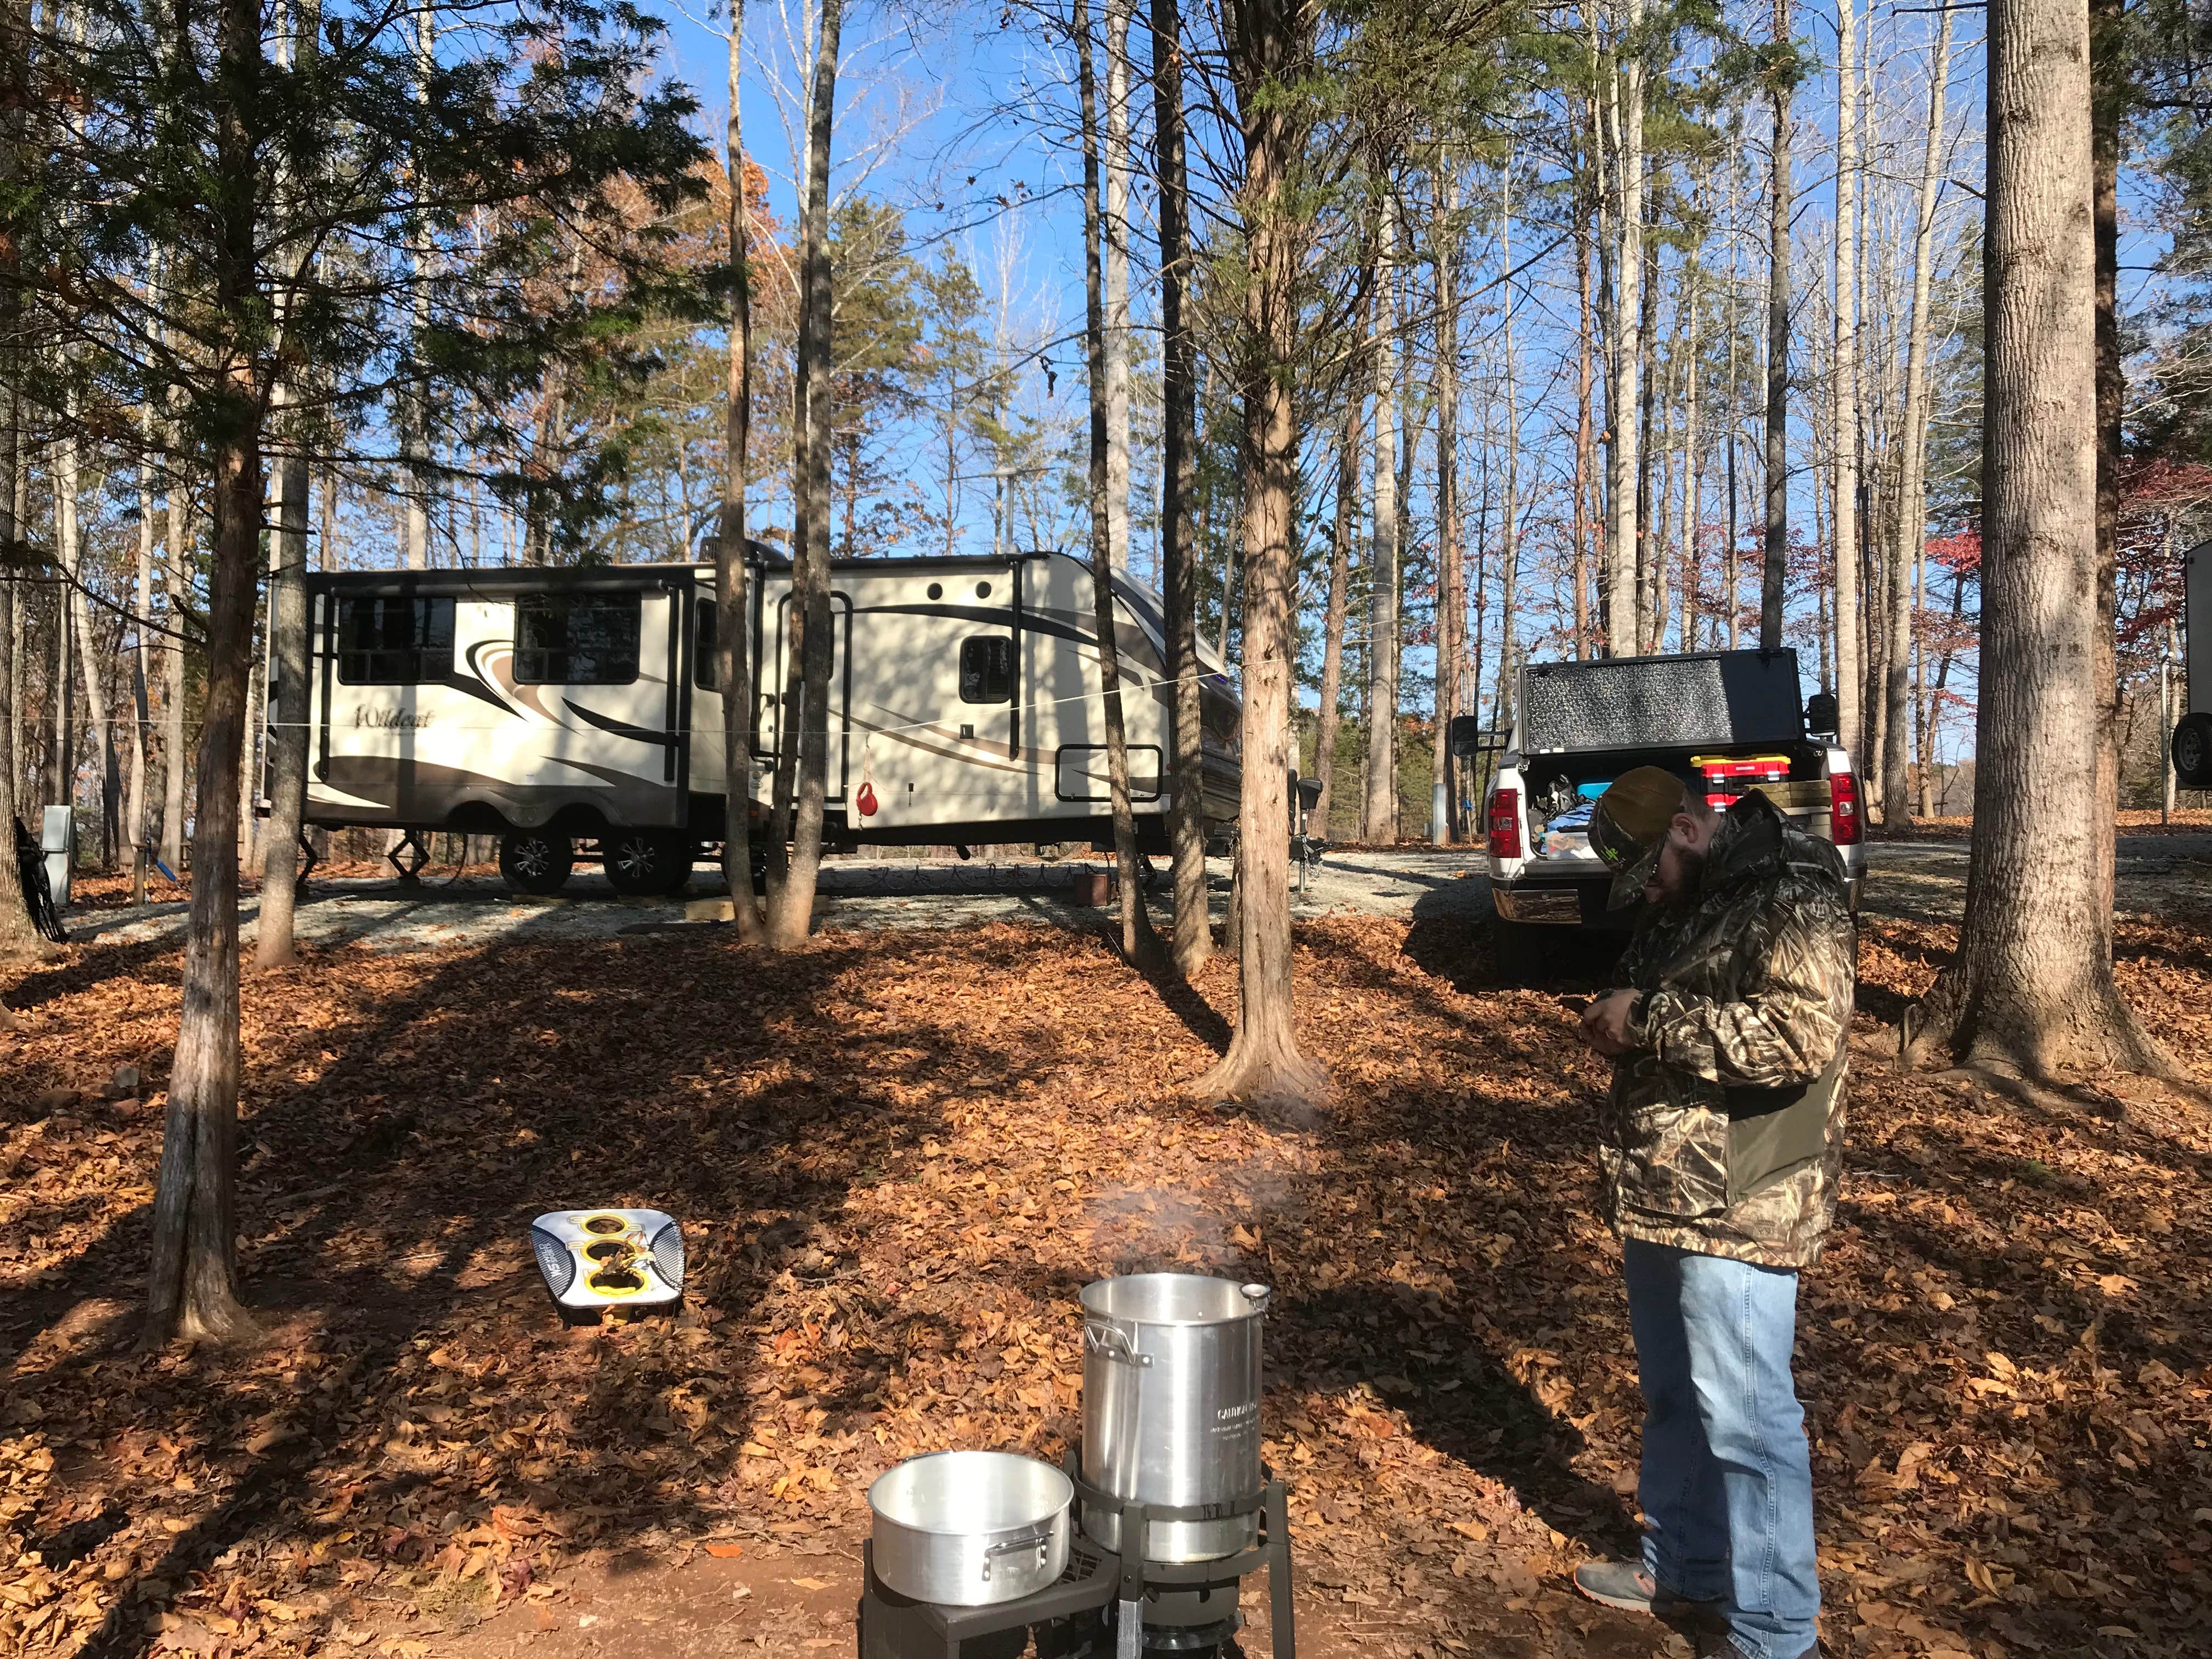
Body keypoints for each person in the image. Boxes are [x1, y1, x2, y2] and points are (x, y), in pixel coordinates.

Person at [1568, 765, 1855, 1659]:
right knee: (1674, 1400)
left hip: (1741, 1200)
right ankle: (1683, 1564)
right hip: (1664, 1194)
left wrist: (1647, 1018)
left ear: (1688, 830)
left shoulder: (1793, 892)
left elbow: (1799, 1038)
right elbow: (1673, 998)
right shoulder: (1700, 892)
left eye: (1648, 872)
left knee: (1748, 1416)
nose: (1644, 895)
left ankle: (1776, 1633)